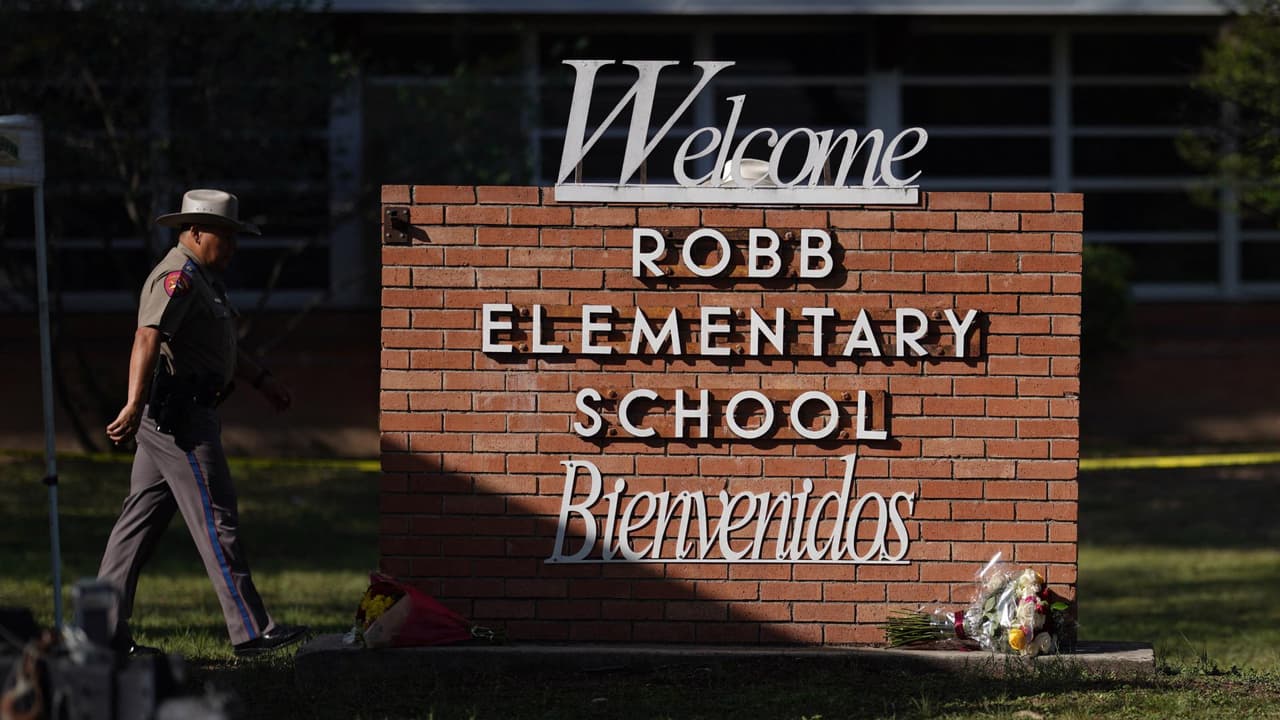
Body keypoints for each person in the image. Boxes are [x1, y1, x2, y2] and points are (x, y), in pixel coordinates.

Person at [97, 188, 307, 657]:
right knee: (217, 517)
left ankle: (100, 633)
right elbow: (147, 337)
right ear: (193, 231)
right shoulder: (178, 277)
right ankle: (252, 630)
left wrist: (264, 380)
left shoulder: (206, 281)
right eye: (224, 237)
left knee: (136, 527)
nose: (232, 247)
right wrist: (132, 404)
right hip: (181, 419)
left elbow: (222, 350)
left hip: (177, 415)